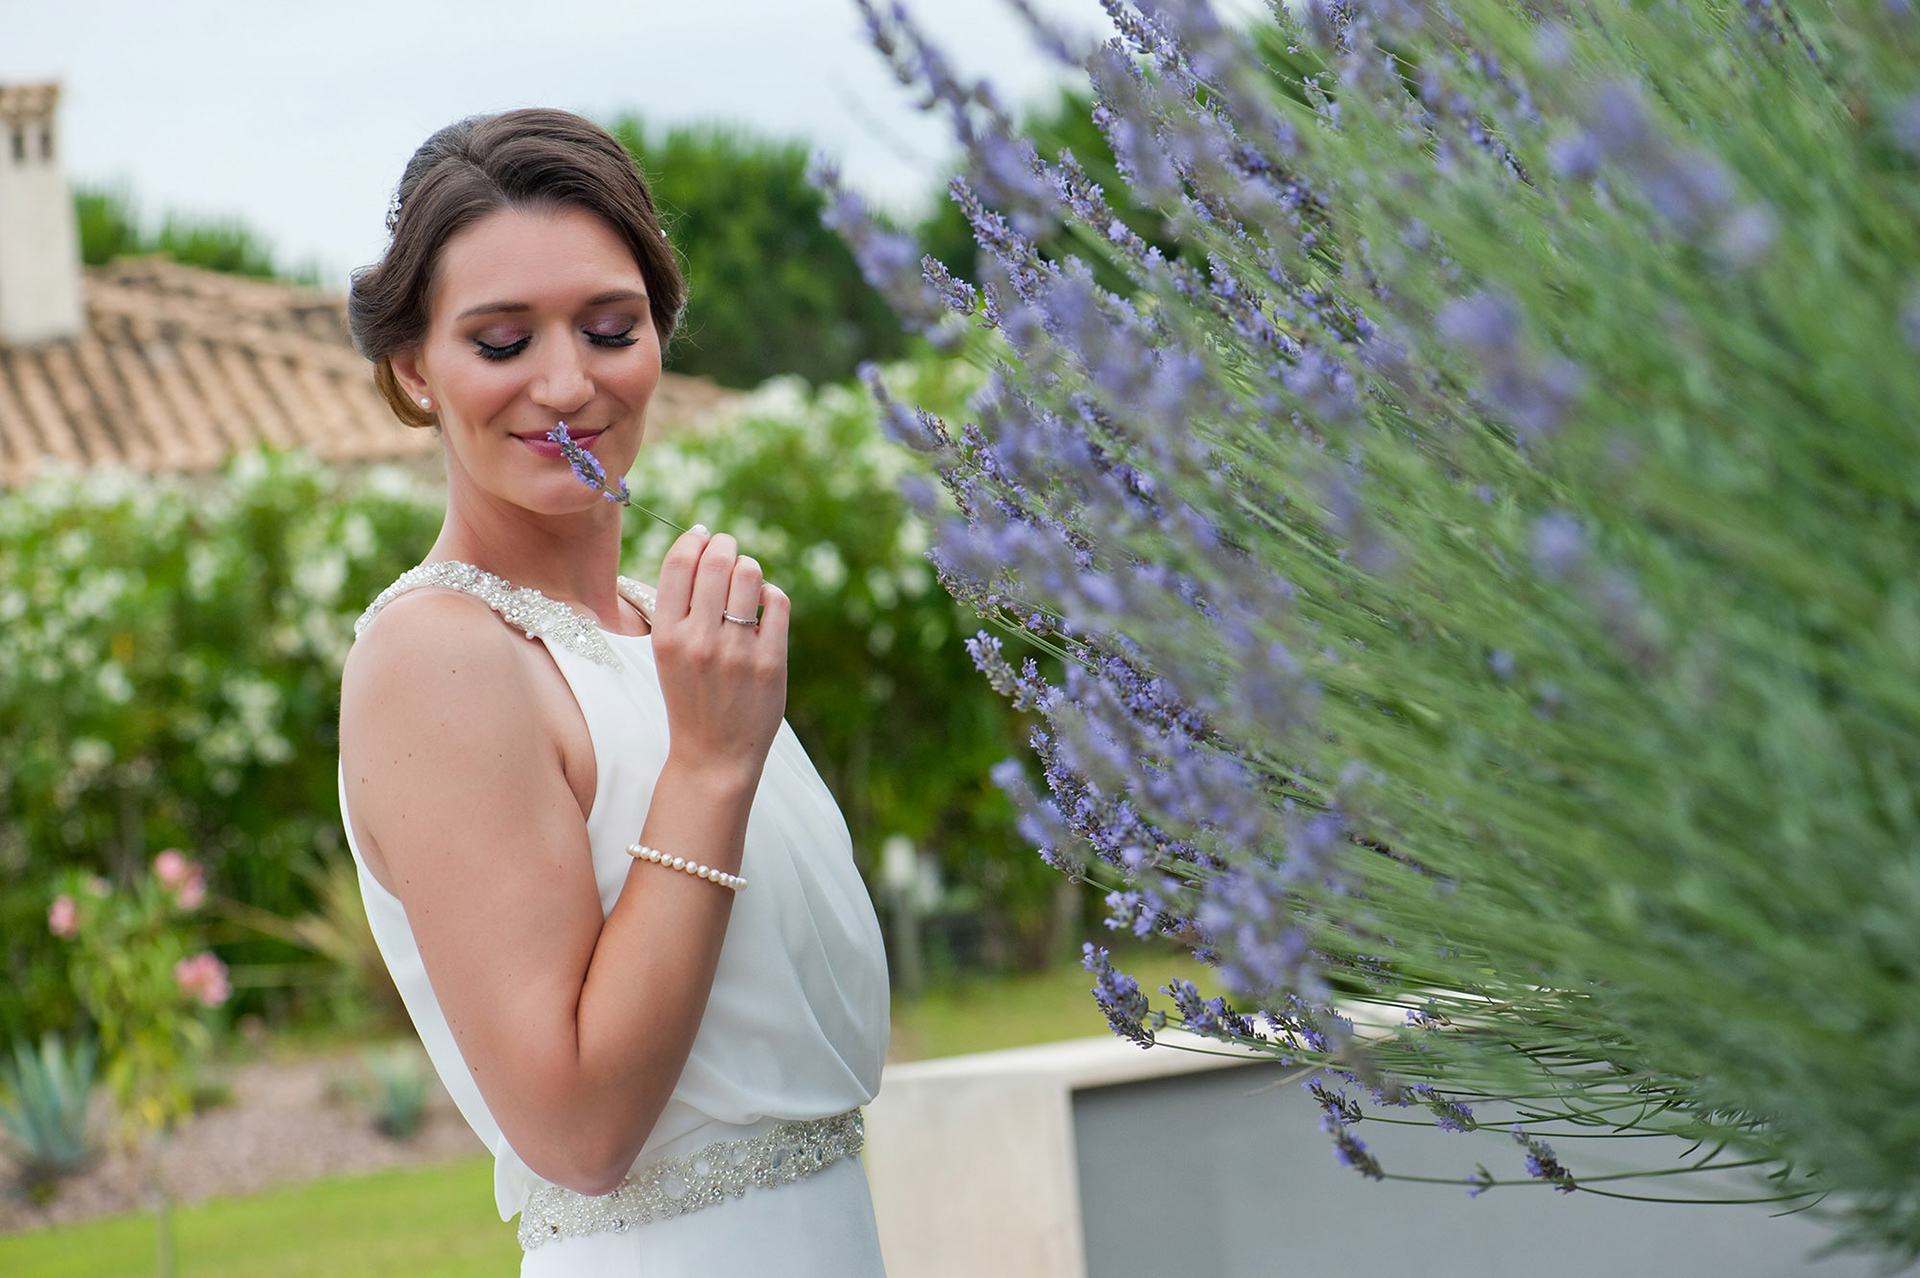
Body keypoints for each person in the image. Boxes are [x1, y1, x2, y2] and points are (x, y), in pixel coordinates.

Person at [335, 108, 891, 1275]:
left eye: (609, 327)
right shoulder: (439, 658)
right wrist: (708, 764)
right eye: (499, 342)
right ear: (412, 371)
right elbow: (579, 1130)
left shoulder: (657, 633)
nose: (567, 383)